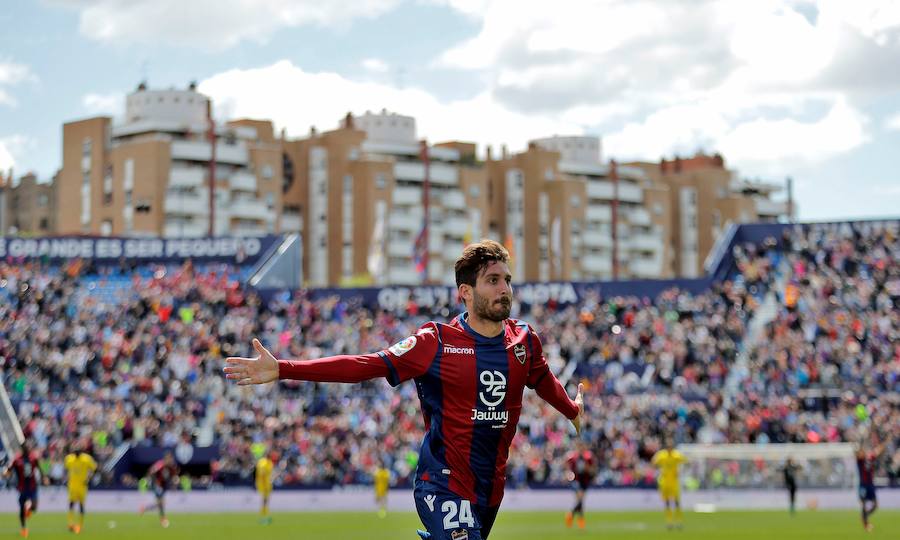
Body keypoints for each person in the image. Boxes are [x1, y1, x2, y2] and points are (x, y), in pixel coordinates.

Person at [225, 240, 585, 540]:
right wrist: (284, 368)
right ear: (466, 292)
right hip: (442, 484)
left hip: (489, 491)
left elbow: (543, 379)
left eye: (507, 279)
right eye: (492, 280)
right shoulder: (435, 342)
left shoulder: (524, 340)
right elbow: (365, 365)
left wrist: (571, 409)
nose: (504, 289)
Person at [5, 439, 41, 538]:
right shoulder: (17, 459)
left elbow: (39, 468)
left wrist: (44, 477)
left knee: (33, 507)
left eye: (27, 447)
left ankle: (28, 507)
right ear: (22, 449)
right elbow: (9, 469)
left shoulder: (33, 458)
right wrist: (6, 473)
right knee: (22, 509)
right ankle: (24, 528)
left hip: (31, 486)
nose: (27, 449)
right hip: (22, 487)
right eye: (25, 448)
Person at [651, 437, 687, 530]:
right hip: (665, 482)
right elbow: (653, 462)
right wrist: (658, 471)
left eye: (670, 446)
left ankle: (679, 522)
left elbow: (686, 462)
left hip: (674, 482)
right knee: (667, 503)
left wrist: (681, 471)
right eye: (668, 446)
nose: (669, 447)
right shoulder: (662, 455)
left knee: (676, 502)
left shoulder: (677, 455)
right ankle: (669, 522)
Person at [64, 441, 98, 534]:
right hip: (72, 485)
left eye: (78, 450)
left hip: (82, 485)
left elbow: (95, 468)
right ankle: (70, 523)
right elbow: (66, 469)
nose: (76, 452)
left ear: (81, 451)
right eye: (75, 450)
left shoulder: (86, 459)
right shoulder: (69, 459)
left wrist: (89, 478)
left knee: (81, 505)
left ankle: (80, 525)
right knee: (71, 503)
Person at [139, 452, 180, 528]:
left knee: (160, 504)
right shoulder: (160, 464)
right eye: (169, 459)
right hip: (156, 485)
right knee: (161, 503)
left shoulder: (172, 467)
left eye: (171, 459)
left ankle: (145, 508)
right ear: (166, 459)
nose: (170, 460)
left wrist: (175, 482)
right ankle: (163, 519)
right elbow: (151, 471)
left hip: (164, 486)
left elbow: (174, 476)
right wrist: (149, 480)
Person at [564, 440, 596, 529]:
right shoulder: (573, 457)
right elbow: (566, 465)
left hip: (585, 480)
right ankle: (575, 518)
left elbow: (592, 469)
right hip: (576, 480)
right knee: (580, 500)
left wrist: (588, 469)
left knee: (580, 502)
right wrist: (568, 473)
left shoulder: (588, 457)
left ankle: (573, 515)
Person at [857, 442, 884, 532]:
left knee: (875, 505)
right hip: (863, 485)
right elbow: (858, 454)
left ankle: (864, 516)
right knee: (864, 505)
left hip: (870, 485)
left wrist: (886, 441)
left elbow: (879, 450)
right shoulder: (860, 460)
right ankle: (866, 525)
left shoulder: (870, 458)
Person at [256, 452, 274, 524]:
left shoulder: (268, 462)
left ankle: (265, 515)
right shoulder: (263, 462)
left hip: (266, 484)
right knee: (264, 500)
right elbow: (262, 473)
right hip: (263, 484)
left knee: (266, 500)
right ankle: (263, 517)